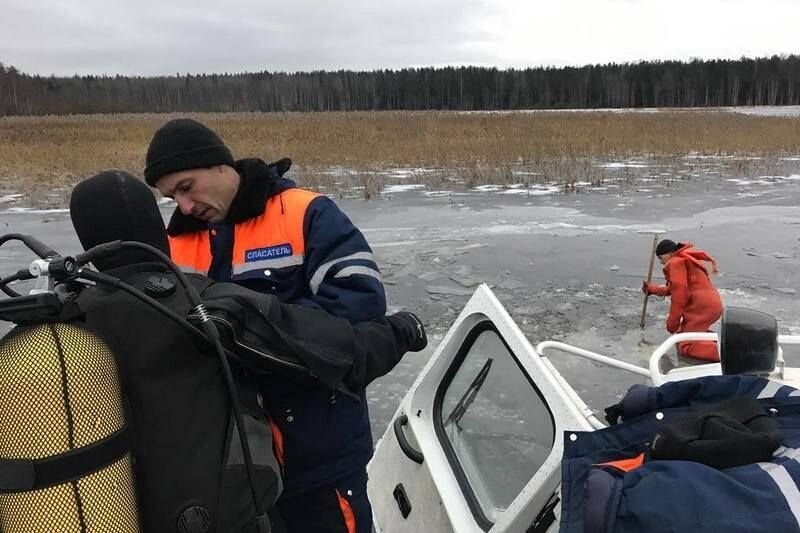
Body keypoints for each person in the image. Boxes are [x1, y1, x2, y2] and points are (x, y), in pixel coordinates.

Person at [68, 170, 426, 532]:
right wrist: (400, 331)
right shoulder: (201, 305)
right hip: (217, 509)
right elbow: (327, 349)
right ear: (151, 226)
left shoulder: (68, 319)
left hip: (126, 509)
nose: (184, 207)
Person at [144, 118, 390, 532]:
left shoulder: (304, 213)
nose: (184, 207)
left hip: (317, 460)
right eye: (171, 198)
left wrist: (250, 329)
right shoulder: (174, 245)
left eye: (186, 187)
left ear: (221, 166)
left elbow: (361, 300)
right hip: (232, 471)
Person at [642, 239, 723, 361]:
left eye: (660, 257)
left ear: (669, 253)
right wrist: (652, 289)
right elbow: (672, 288)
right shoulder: (683, 260)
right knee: (684, 334)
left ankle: (727, 354)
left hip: (701, 308)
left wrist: (672, 321)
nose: (660, 262)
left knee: (685, 344)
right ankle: (719, 343)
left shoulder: (675, 263)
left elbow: (680, 294)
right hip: (711, 305)